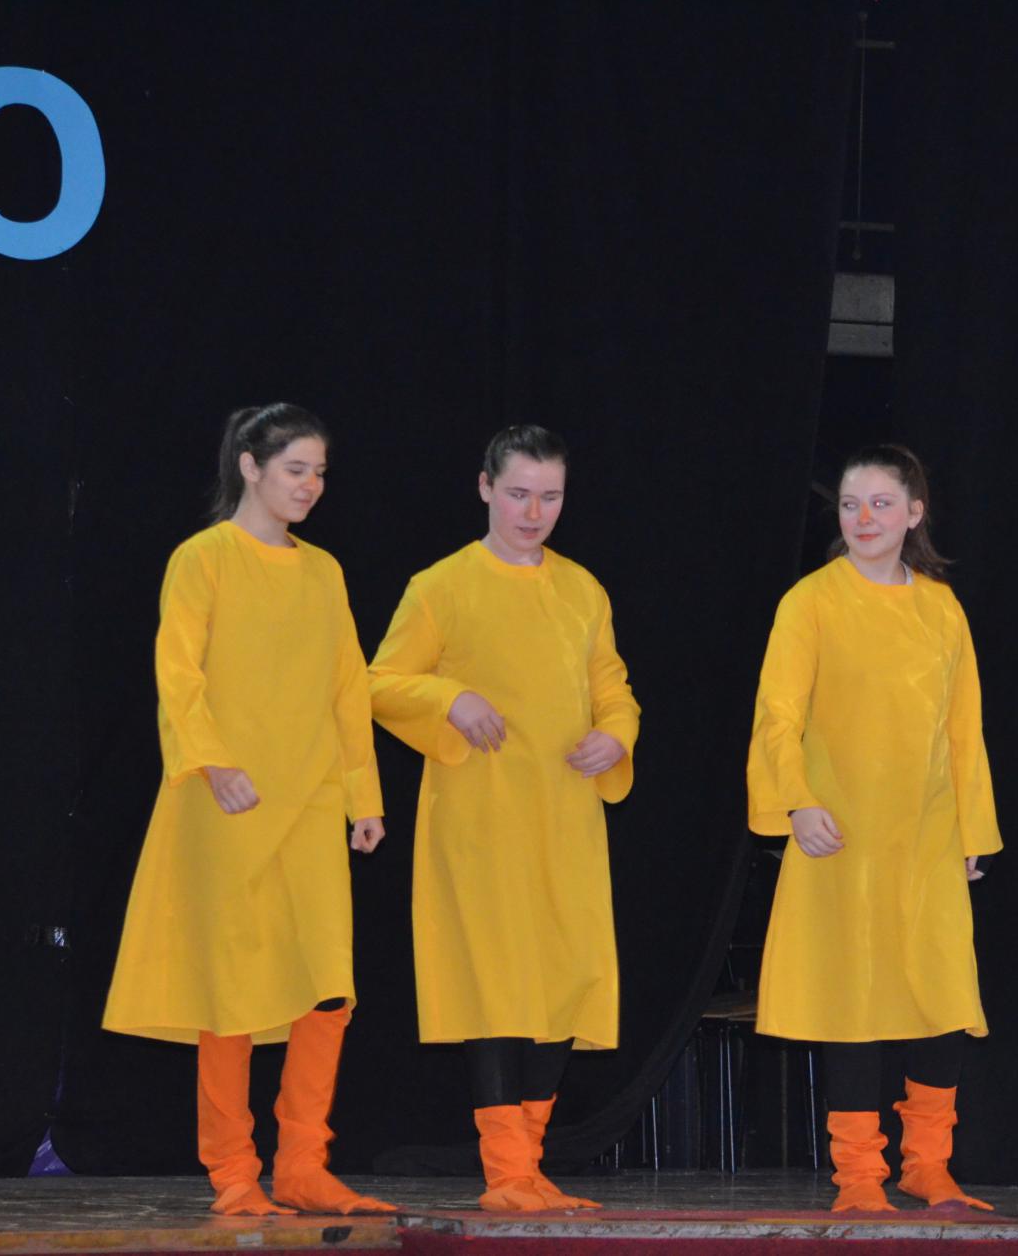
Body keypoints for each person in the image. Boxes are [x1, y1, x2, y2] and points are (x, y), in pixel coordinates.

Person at [103, 403, 395, 1217]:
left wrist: (363, 796)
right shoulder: (204, 558)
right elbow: (179, 673)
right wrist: (212, 762)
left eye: (320, 472)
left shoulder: (324, 571)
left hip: (311, 799)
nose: (311, 485)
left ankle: (304, 1164)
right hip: (227, 802)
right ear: (250, 466)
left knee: (327, 987)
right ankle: (234, 1174)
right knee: (230, 988)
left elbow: (348, 687)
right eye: (296, 469)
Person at [368, 425, 639, 1212]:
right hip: (480, 818)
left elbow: (613, 685)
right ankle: (506, 1173)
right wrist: (450, 697)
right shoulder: (442, 585)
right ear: (485, 488)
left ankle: (530, 1163)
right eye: (518, 493)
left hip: (565, 815)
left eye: (550, 496)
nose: (533, 511)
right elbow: (379, 681)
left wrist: (616, 733)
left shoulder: (582, 590)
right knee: (494, 985)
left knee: (565, 981)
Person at [746, 444, 1001, 1213]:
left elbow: (964, 731)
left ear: (914, 513)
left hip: (924, 836)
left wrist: (973, 832)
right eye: (851, 504)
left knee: (941, 997)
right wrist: (796, 804)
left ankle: (928, 1165)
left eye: (881, 503)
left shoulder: (941, 608)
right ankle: (859, 1177)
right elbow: (777, 717)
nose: (864, 518)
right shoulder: (811, 601)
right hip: (842, 837)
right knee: (851, 1003)